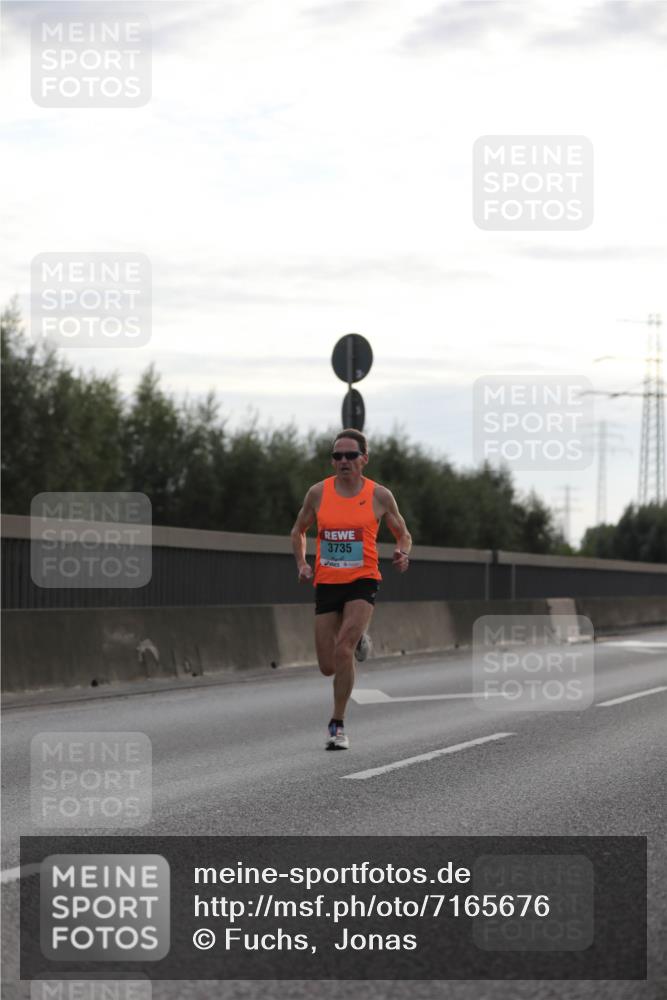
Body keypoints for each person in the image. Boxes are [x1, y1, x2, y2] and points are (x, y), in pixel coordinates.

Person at [290, 429, 412, 750]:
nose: (343, 461)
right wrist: (302, 563)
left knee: (344, 648)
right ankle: (359, 639)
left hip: (363, 579)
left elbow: (403, 533)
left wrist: (402, 552)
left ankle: (337, 724)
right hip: (328, 581)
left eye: (350, 455)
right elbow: (298, 530)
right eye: (337, 456)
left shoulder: (379, 496)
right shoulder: (317, 493)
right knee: (328, 666)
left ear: (364, 460)